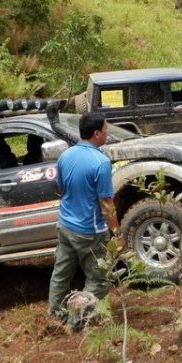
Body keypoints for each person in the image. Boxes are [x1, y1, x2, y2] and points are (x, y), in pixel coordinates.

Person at [47, 112, 125, 327]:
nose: (108, 134)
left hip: (65, 226)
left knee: (61, 274)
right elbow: (106, 204)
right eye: (106, 130)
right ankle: (77, 321)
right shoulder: (100, 162)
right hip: (89, 231)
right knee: (98, 279)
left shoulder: (65, 156)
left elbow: (60, 188)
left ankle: (56, 318)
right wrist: (117, 235)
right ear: (97, 133)